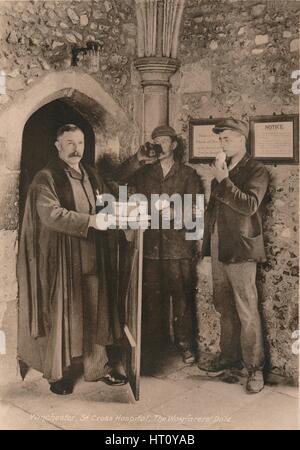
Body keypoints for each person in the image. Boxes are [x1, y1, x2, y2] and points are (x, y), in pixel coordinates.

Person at [17, 124, 127, 395]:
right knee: (62, 315)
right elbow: (50, 214)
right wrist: (91, 220)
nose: (76, 149)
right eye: (69, 143)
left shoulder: (91, 173)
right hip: (62, 260)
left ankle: (96, 368)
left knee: (95, 310)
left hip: (92, 256)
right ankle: (59, 374)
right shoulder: (46, 178)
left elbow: (109, 197)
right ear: (58, 145)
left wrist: (125, 211)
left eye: (79, 143)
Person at [117, 125, 203, 368]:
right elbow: (117, 178)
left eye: (164, 141)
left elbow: (194, 210)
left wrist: (169, 211)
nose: (159, 145)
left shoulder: (188, 174)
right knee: (151, 299)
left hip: (178, 249)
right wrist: (138, 159)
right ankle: (155, 346)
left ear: (174, 145)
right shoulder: (144, 173)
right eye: (156, 141)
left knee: (182, 299)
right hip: (151, 247)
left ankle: (186, 346)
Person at [199, 117, 269, 394]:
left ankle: (254, 369)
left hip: (241, 248)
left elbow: (250, 205)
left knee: (247, 310)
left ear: (242, 139)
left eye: (227, 138)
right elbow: (212, 212)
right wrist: (207, 248)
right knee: (223, 306)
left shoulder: (257, 170)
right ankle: (228, 357)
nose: (222, 143)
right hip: (219, 247)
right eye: (220, 139)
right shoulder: (223, 169)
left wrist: (223, 180)